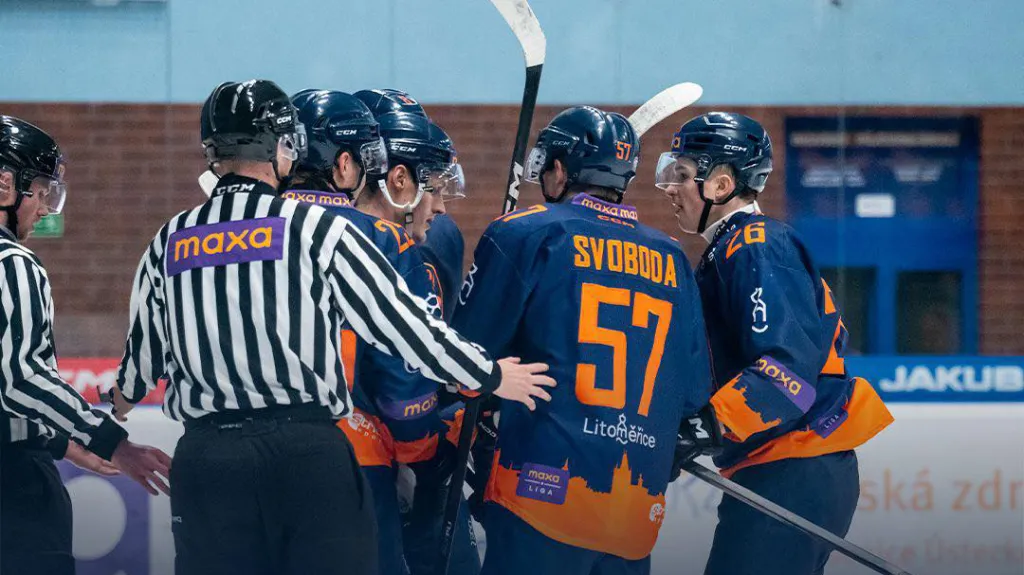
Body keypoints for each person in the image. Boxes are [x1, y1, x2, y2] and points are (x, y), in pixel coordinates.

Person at [110, 79, 555, 575]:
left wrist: (110, 425)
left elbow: (139, 367)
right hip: (305, 453)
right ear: (283, 146)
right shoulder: (316, 228)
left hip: (208, 461)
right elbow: (406, 329)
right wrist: (490, 373)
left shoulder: (170, 237)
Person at [452, 106, 713, 575]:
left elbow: (464, 359)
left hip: (538, 498)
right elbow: (692, 394)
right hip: (632, 516)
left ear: (558, 170)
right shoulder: (673, 259)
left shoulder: (525, 233)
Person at [655, 111, 895, 575]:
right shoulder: (733, 247)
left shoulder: (755, 244)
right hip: (787, 464)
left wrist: (704, 428)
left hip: (797, 462)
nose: (669, 187)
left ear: (720, 185)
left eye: (681, 175)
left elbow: (784, 373)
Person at [284, 88, 469, 575]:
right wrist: (426, 450)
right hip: (359, 462)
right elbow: (406, 376)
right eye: (434, 186)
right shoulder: (391, 241)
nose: (441, 207)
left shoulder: (235, 230)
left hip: (244, 463)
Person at [0, 115, 171, 575]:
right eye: (41, 190)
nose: (45, 209)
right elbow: (20, 379)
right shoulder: (12, 263)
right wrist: (109, 440)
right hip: (13, 493)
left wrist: (56, 438)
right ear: (4, 186)